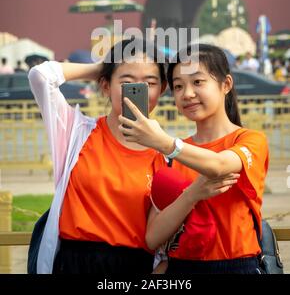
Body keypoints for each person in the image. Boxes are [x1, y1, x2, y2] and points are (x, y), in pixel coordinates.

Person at [119, 44, 269, 274]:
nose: (187, 94)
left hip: (236, 266)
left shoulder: (250, 140)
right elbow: (152, 237)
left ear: (226, 85)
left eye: (197, 82)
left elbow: (218, 165)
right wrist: (192, 195)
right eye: (178, 86)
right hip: (181, 269)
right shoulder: (172, 157)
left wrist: (164, 142)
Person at [28, 38, 170, 275]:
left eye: (150, 82)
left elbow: (164, 243)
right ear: (105, 86)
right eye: (126, 81)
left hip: (134, 265)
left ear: (162, 89)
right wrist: (102, 68)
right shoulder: (77, 132)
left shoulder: (167, 155)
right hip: (73, 262)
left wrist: (119, 72)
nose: (137, 89)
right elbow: (40, 76)